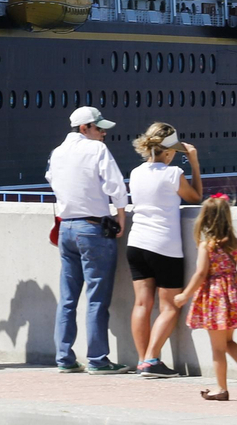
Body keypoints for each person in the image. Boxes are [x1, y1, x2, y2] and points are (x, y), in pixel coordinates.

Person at [46, 105, 130, 374]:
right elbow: (116, 186)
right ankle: (97, 359)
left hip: (66, 228)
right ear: (85, 128)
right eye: (100, 128)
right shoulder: (96, 150)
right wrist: (121, 218)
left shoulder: (57, 153)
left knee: (68, 298)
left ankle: (64, 358)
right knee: (96, 298)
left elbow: (51, 180)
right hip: (92, 229)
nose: (104, 134)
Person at [174, 194, 237, 400]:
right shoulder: (235, 243)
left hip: (214, 297)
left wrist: (185, 295)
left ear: (206, 219)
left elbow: (201, 273)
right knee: (228, 341)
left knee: (217, 348)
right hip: (232, 295)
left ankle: (221, 389)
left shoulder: (207, 245)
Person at [127, 121, 203, 376]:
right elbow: (195, 198)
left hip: (136, 243)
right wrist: (193, 163)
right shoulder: (172, 174)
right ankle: (152, 360)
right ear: (169, 152)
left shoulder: (136, 172)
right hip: (164, 245)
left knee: (142, 304)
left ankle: (142, 360)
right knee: (169, 306)